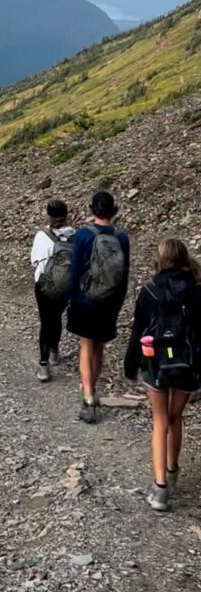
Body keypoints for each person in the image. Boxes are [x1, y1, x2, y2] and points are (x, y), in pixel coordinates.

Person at [124, 239, 201, 512]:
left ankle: (159, 490)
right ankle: (172, 469)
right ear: (184, 258)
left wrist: (130, 364)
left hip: (155, 362)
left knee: (159, 421)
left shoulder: (150, 290)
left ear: (161, 260)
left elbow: (138, 331)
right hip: (187, 364)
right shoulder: (196, 290)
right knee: (175, 417)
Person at [67, 190, 130, 423]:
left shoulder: (83, 235)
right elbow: (124, 274)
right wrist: (118, 301)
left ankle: (88, 397)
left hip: (85, 299)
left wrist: (72, 298)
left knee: (86, 346)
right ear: (113, 210)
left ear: (93, 209)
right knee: (100, 348)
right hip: (109, 301)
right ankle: (93, 389)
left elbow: (75, 272)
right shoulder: (121, 238)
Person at [31, 199, 75, 382]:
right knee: (56, 318)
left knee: (45, 322)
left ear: (48, 216)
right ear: (66, 216)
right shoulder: (75, 235)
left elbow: (34, 261)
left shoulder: (42, 236)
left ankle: (44, 366)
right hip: (66, 286)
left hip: (44, 287)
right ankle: (55, 353)